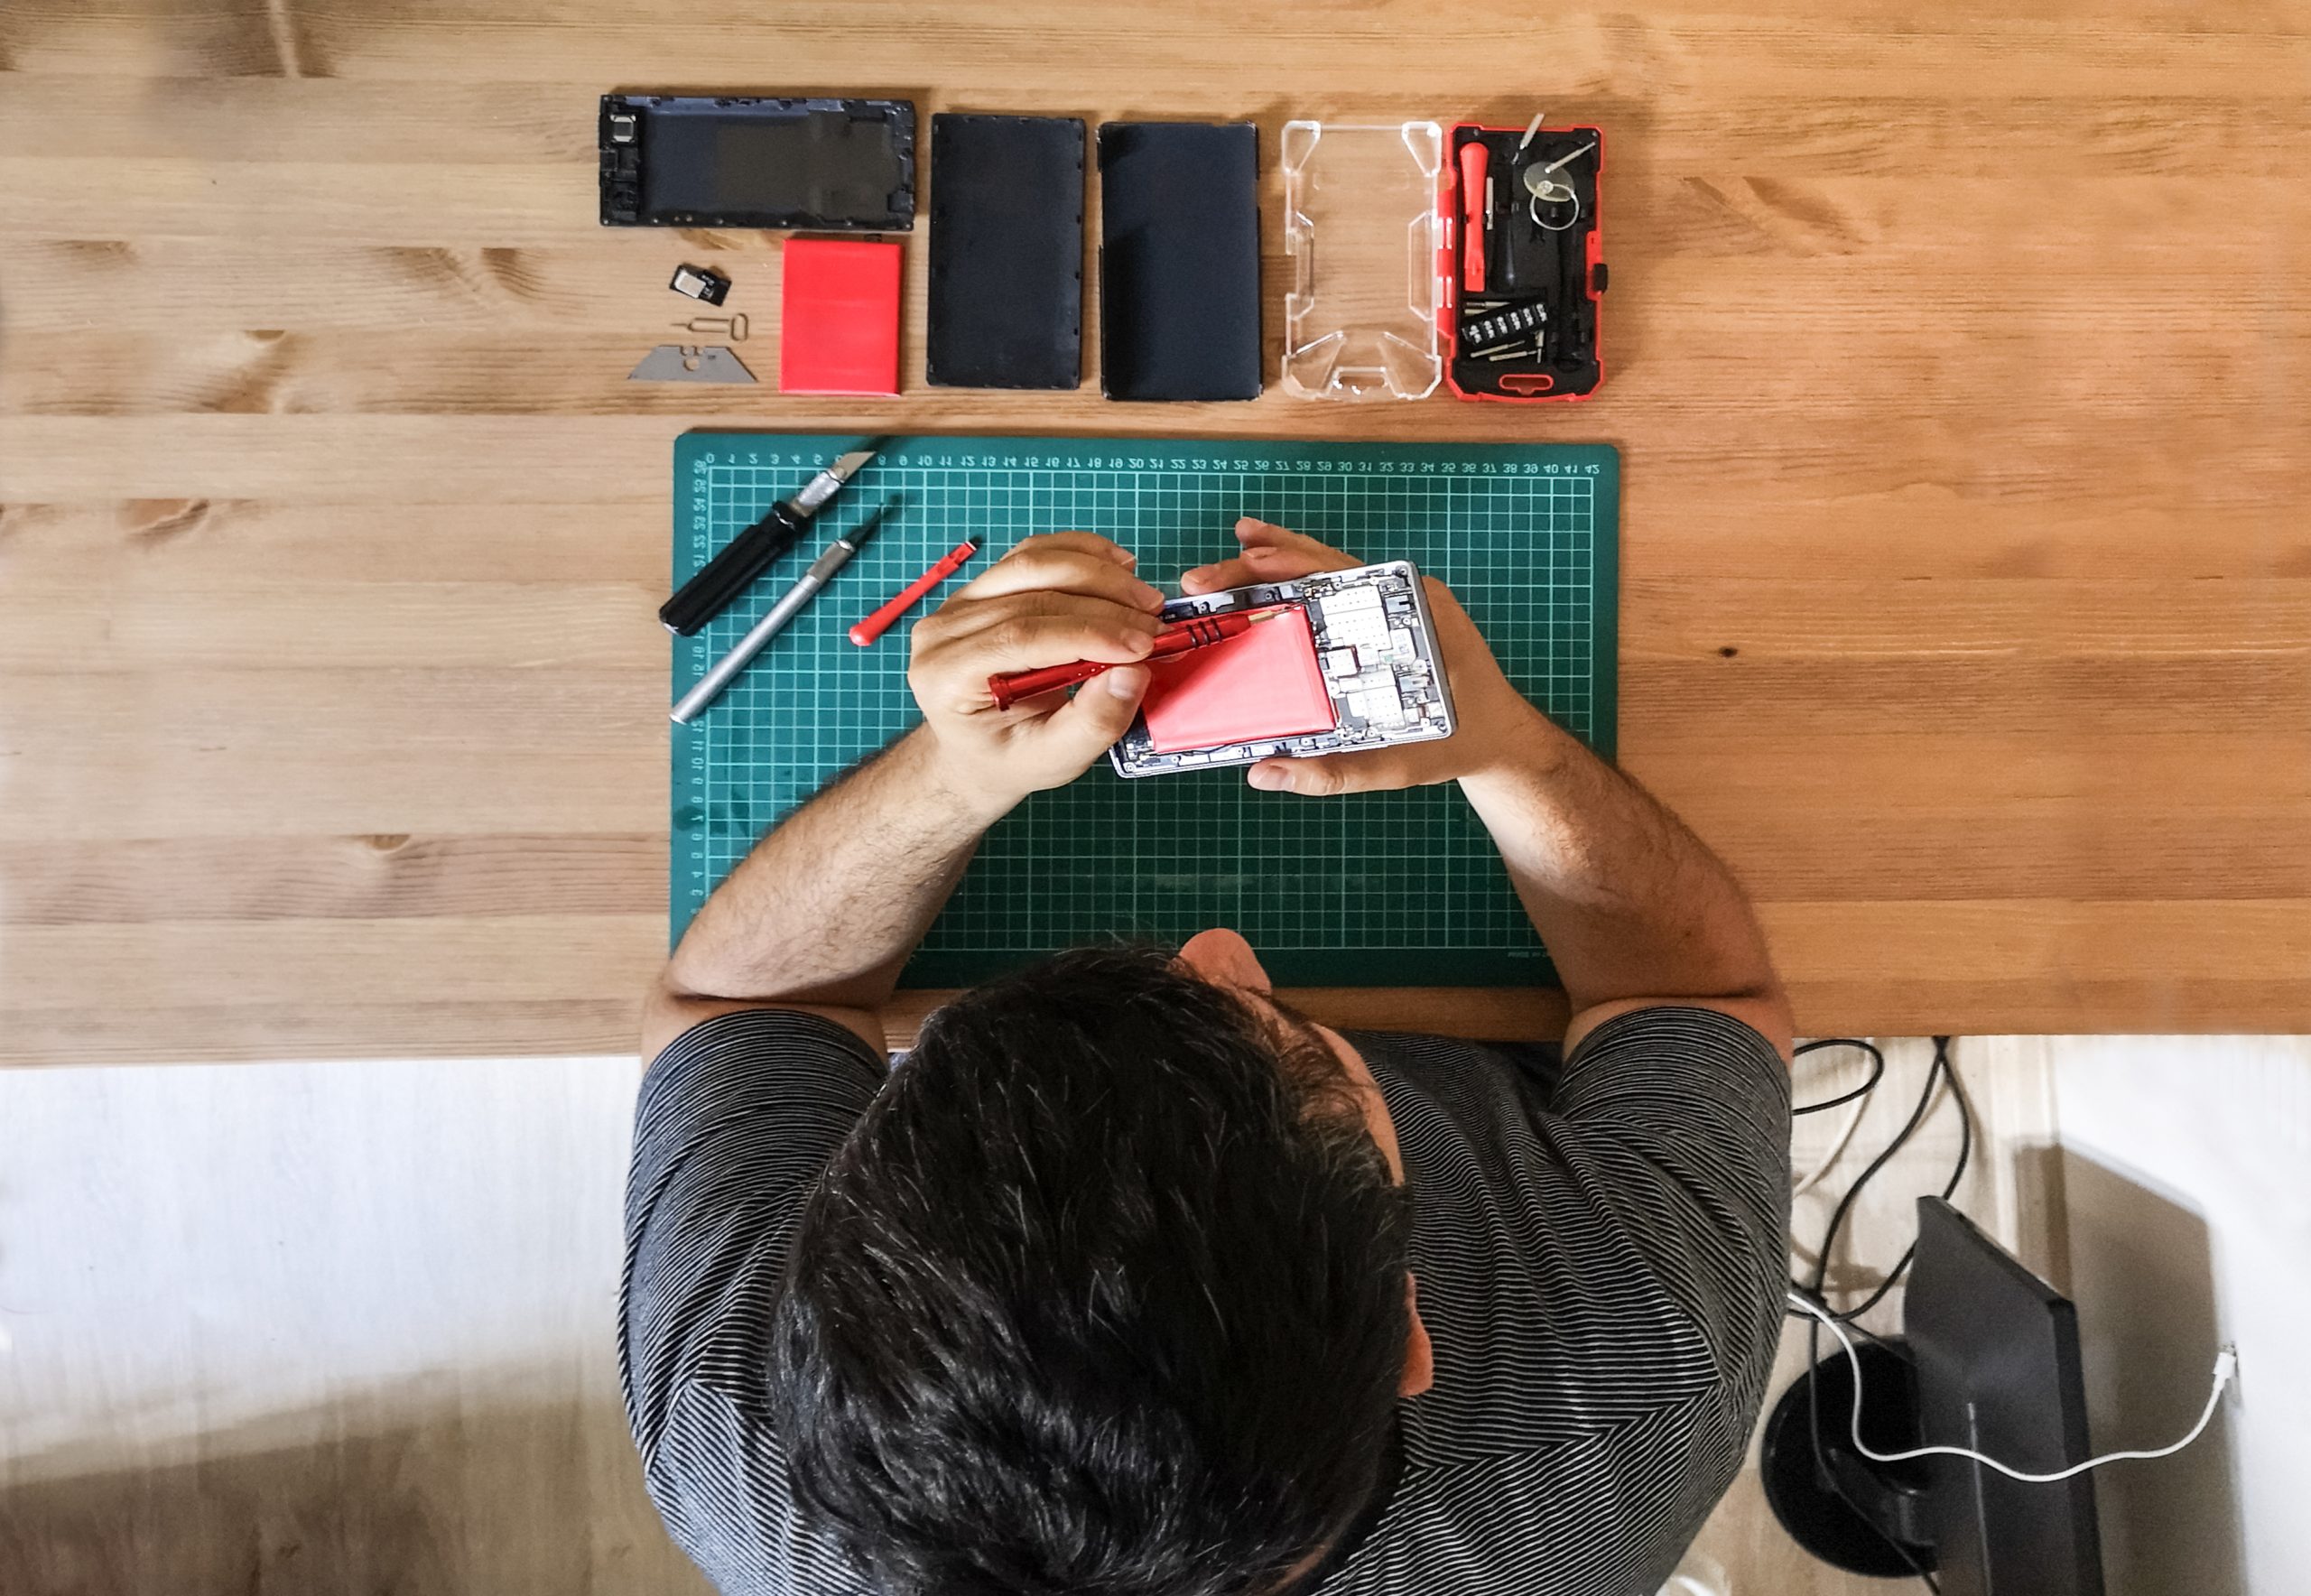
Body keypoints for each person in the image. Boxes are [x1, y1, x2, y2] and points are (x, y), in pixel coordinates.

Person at [622, 518, 1795, 1596]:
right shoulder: (1646, 1368)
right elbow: (1696, 995)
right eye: (1318, 1070)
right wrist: (1509, 751)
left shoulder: (741, 1429)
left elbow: (737, 1012)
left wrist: (950, 780)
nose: (1225, 948)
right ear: (1410, 1332)